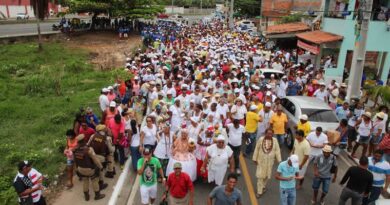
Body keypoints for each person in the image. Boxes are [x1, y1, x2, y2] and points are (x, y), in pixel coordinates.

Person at [73, 134, 105, 201]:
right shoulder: (89, 149)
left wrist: (77, 170)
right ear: (84, 140)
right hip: (89, 170)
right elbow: (95, 160)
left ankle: (86, 196)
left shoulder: (75, 150)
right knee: (94, 180)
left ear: (78, 142)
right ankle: (97, 195)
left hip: (80, 169)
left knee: (85, 181)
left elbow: (75, 161)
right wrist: (100, 167)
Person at [252, 128, 281, 198]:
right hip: (261, 162)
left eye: (271, 134)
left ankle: (263, 186)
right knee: (260, 176)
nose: (269, 135)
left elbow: (277, 151)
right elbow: (256, 149)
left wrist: (279, 161)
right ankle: (259, 192)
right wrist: (254, 159)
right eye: (268, 133)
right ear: (265, 133)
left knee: (266, 176)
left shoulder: (275, 140)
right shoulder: (261, 139)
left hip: (270, 162)